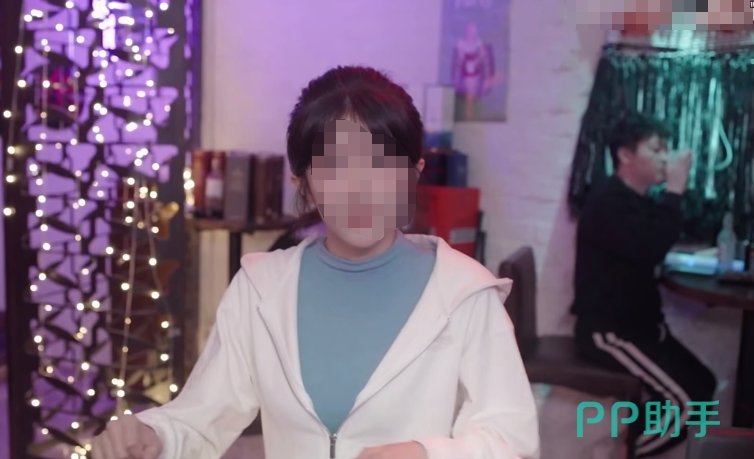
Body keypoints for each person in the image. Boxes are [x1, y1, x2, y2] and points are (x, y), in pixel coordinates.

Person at [92, 65, 540, 459]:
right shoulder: (261, 290)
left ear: (413, 175)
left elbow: (512, 443)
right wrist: (152, 435)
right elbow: (200, 419)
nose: (360, 188)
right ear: (303, 183)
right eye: (335, 166)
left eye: (381, 164)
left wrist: (427, 454)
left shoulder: (464, 293)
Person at [570, 113, 717, 458]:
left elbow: (652, 240)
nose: (665, 158)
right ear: (625, 155)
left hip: (644, 329)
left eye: (666, 149)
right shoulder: (609, 200)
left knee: (704, 384)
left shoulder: (635, 198)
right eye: (656, 149)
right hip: (611, 333)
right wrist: (675, 191)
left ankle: (630, 444)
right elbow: (650, 247)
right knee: (688, 405)